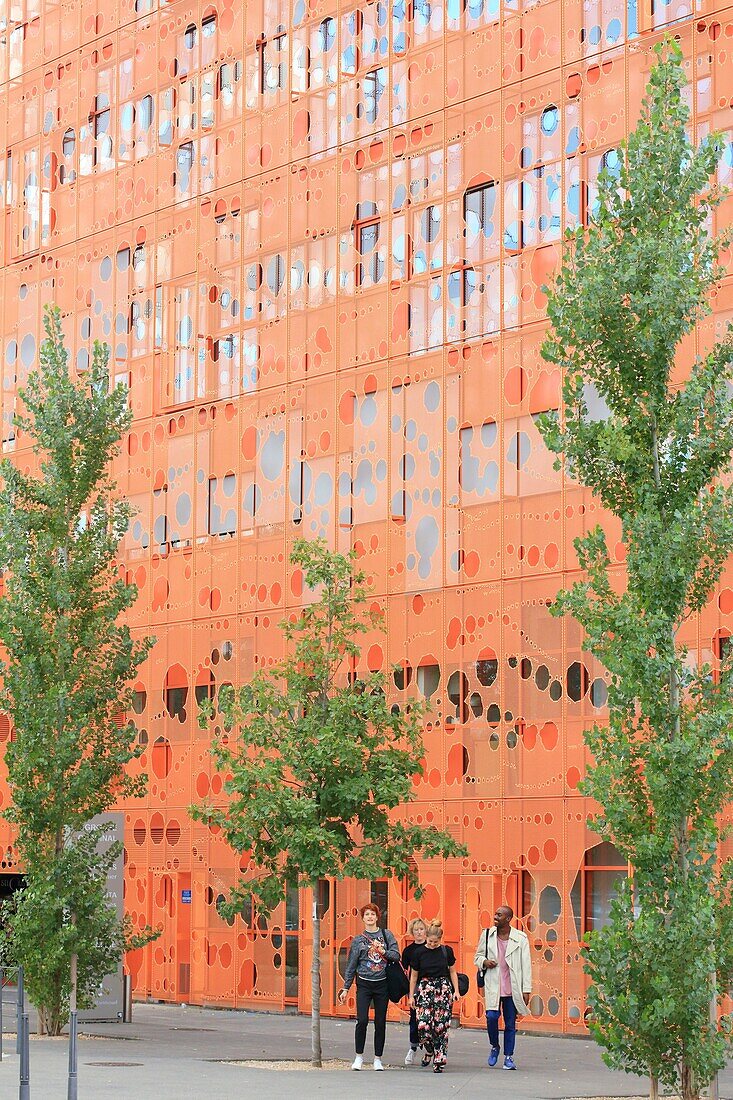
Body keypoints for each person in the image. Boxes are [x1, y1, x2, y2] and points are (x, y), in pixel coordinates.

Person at [338, 902, 400, 1071]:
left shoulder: (386, 935)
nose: (370, 917)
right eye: (367, 915)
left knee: (380, 1022)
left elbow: (396, 955)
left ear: (377, 917)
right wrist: (345, 988)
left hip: (382, 984)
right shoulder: (358, 940)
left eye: (373, 914)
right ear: (363, 918)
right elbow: (351, 965)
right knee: (362, 1020)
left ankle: (377, 1058)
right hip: (364, 984)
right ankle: (358, 1056)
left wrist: (383, 952)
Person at [473, 904, 532, 1071]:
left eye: (499, 915)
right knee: (491, 1017)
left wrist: (526, 989)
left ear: (508, 919)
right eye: (495, 914)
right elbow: (477, 957)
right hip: (493, 985)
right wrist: (484, 962)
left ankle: (508, 1057)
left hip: (512, 987)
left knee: (510, 1023)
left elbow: (526, 965)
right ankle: (494, 1046)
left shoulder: (520, 938)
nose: (495, 917)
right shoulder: (487, 935)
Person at [408, 919, 459, 1073]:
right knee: (423, 1025)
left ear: (440, 940)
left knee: (441, 1027)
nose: (432, 944)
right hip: (424, 990)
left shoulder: (446, 951)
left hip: (443, 990)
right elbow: (414, 976)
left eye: (435, 942)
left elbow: (452, 971)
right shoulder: (419, 952)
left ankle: (439, 1060)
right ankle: (429, 1050)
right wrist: (411, 996)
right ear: (426, 938)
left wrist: (456, 991)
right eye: (430, 941)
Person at [401, 917, 427, 1065]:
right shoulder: (408, 950)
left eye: (421, 929)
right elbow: (404, 970)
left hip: (430, 986)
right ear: (412, 932)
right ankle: (413, 1047)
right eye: (416, 930)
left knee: (430, 1019)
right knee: (414, 1018)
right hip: (415, 987)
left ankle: (431, 1048)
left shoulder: (430, 946)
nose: (419, 932)